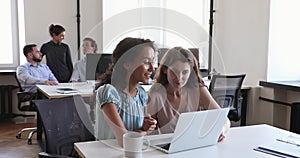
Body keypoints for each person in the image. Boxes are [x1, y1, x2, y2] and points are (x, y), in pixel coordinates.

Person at [147, 47, 230, 142]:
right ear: (165, 70)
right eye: (174, 71)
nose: (179, 77)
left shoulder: (198, 89)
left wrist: (221, 130)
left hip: (194, 144)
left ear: (191, 72)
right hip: (168, 147)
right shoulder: (155, 94)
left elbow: (223, 119)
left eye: (185, 72)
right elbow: (148, 133)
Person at [94, 37, 157, 146]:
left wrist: (145, 126)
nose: (152, 68)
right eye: (146, 62)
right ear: (127, 64)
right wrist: (144, 132)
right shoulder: (108, 93)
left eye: (152, 62)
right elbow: (124, 141)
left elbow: (135, 134)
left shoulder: (141, 94)